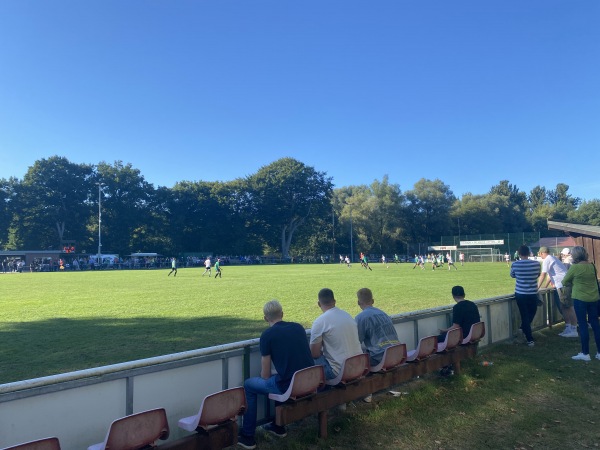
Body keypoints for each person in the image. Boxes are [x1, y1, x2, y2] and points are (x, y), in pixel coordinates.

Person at [238, 300, 314, 449]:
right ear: (282, 314)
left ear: (265, 318)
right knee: (279, 378)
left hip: (291, 386)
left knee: (249, 385)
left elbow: (265, 375)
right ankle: (278, 426)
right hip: (310, 381)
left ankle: (248, 436)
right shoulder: (298, 327)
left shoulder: (267, 335)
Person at [310, 288, 363, 381]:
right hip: (359, 367)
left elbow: (314, 354)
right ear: (334, 301)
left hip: (338, 372)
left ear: (319, 304)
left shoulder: (320, 322)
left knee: (309, 361)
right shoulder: (348, 316)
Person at [561, 246, 600, 361]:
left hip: (580, 298)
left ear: (575, 256)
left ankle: (585, 353)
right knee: (595, 325)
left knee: (582, 325)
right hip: (593, 298)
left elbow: (564, 281)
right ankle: (599, 352)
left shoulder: (575, 268)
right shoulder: (592, 266)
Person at [437, 286, 480, 375]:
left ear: (453, 296)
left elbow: (455, 327)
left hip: (464, 336)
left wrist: (444, 331)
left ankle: (445, 366)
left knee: (437, 340)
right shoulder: (472, 304)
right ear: (464, 294)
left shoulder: (457, 307)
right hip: (475, 334)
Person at [537, 246, 577, 338]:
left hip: (564, 285)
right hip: (562, 285)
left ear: (542, 253)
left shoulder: (547, 259)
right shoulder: (552, 258)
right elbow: (550, 275)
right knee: (564, 307)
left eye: (539, 254)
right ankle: (568, 328)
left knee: (569, 307)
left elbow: (543, 274)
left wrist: (537, 287)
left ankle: (574, 329)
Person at [355, 288, 400, 367]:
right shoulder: (384, 314)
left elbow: (356, 342)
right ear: (372, 301)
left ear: (358, 302)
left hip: (380, 358)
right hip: (397, 353)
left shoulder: (360, 318)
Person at [510, 244, 541, 346]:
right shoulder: (536, 264)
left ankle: (525, 334)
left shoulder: (515, 264)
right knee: (531, 314)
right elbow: (538, 274)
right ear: (529, 253)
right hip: (532, 293)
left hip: (520, 293)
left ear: (519, 253)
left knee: (525, 315)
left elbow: (512, 275)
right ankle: (529, 337)